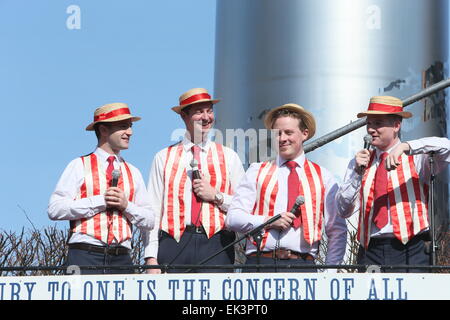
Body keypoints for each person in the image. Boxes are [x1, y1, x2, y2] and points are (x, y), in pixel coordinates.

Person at [225, 103, 347, 272]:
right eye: (277, 133)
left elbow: (337, 230)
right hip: (259, 263)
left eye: (288, 132)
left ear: (304, 134)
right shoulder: (256, 171)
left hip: (303, 265)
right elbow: (233, 218)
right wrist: (267, 221)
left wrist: (330, 272)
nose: (282, 139)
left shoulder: (323, 176)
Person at [336, 95, 450, 272]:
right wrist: (357, 175)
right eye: (369, 124)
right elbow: (343, 210)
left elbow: (446, 147)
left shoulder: (417, 157)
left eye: (378, 123)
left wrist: (405, 147)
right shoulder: (359, 162)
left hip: (410, 249)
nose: (371, 130)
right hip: (370, 249)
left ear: (396, 125)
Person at [143, 88, 245, 273]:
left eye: (209, 110)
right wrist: (151, 256)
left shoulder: (229, 156)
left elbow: (245, 206)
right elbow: (153, 210)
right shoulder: (163, 157)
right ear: (184, 116)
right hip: (173, 242)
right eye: (199, 111)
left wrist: (217, 196)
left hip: (217, 243)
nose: (206, 117)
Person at [48, 103, 155, 274]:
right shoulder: (78, 165)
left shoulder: (133, 172)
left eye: (130, 126)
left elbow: (150, 219)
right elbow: (55, 209)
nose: (130, 132)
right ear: (104, 130)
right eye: (123, 126)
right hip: (84, 254)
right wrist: (100, 201)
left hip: (122, 257)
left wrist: (126, 205)